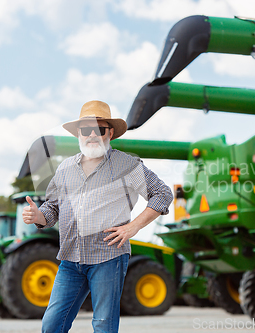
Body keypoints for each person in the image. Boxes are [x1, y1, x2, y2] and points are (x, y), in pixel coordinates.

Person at [22, 100, 173, 333]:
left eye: (99, 129)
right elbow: (51, 210)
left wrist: (133, 227)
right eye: (86, 130)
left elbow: (162, 193)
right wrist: (37, 215)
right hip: (70, 260)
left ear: (110, 133)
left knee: (103, 326)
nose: (92, 135)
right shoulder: (64, 169)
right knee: (51, 325)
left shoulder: (127, 164)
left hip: (108, 257)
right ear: (78, 135)